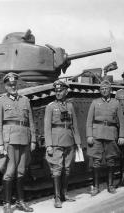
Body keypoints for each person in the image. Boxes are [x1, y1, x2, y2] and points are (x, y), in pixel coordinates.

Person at [0, 72, 36, 213]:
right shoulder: (0, 101)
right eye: (10, 85)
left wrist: (33, 139)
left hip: (24, 138)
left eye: (14, 84)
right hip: (9, 140)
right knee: (9, 172)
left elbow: (31, 122)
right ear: (5, 86)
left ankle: (20, 202)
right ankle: (6, 204)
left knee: (21, 171)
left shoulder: (25, 100)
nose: (13, 87)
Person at [44, 80, 81, 208]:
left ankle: (65, 193)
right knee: (57, 170)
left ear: (66, 91)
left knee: (67, 168)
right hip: (56, 141)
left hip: (69, 140)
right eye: (56, 91)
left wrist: (78, 142)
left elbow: (74, 125)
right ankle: (57, 197)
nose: (58, 93)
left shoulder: (70, 106)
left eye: (60, 91)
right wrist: (48, 145)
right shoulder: (50, 106)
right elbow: (47, 127)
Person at [86, 80, 124, 196]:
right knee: (96, 161)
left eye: (106, 89)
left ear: (110, 90)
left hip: (111, 133)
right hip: (97, 134)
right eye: (102, 89)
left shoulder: (116, 103)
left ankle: (110, 185)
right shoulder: (95, 102)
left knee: (111, 160)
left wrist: (122, 135)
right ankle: (96, 187)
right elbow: (89, 121)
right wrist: (89, 135)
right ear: (100, 90)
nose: (104, 91)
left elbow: (121, 122)